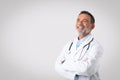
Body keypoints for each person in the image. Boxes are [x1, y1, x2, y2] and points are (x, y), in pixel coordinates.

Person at [55, 11, 103, 80]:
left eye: (84, 21)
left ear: (92, 26)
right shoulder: (69, 44)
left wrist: (65, 64)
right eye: (78, 20)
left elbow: (88, 69)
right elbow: (57, 66)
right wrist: (76, 74)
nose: (80, 23)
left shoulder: (96, 46)